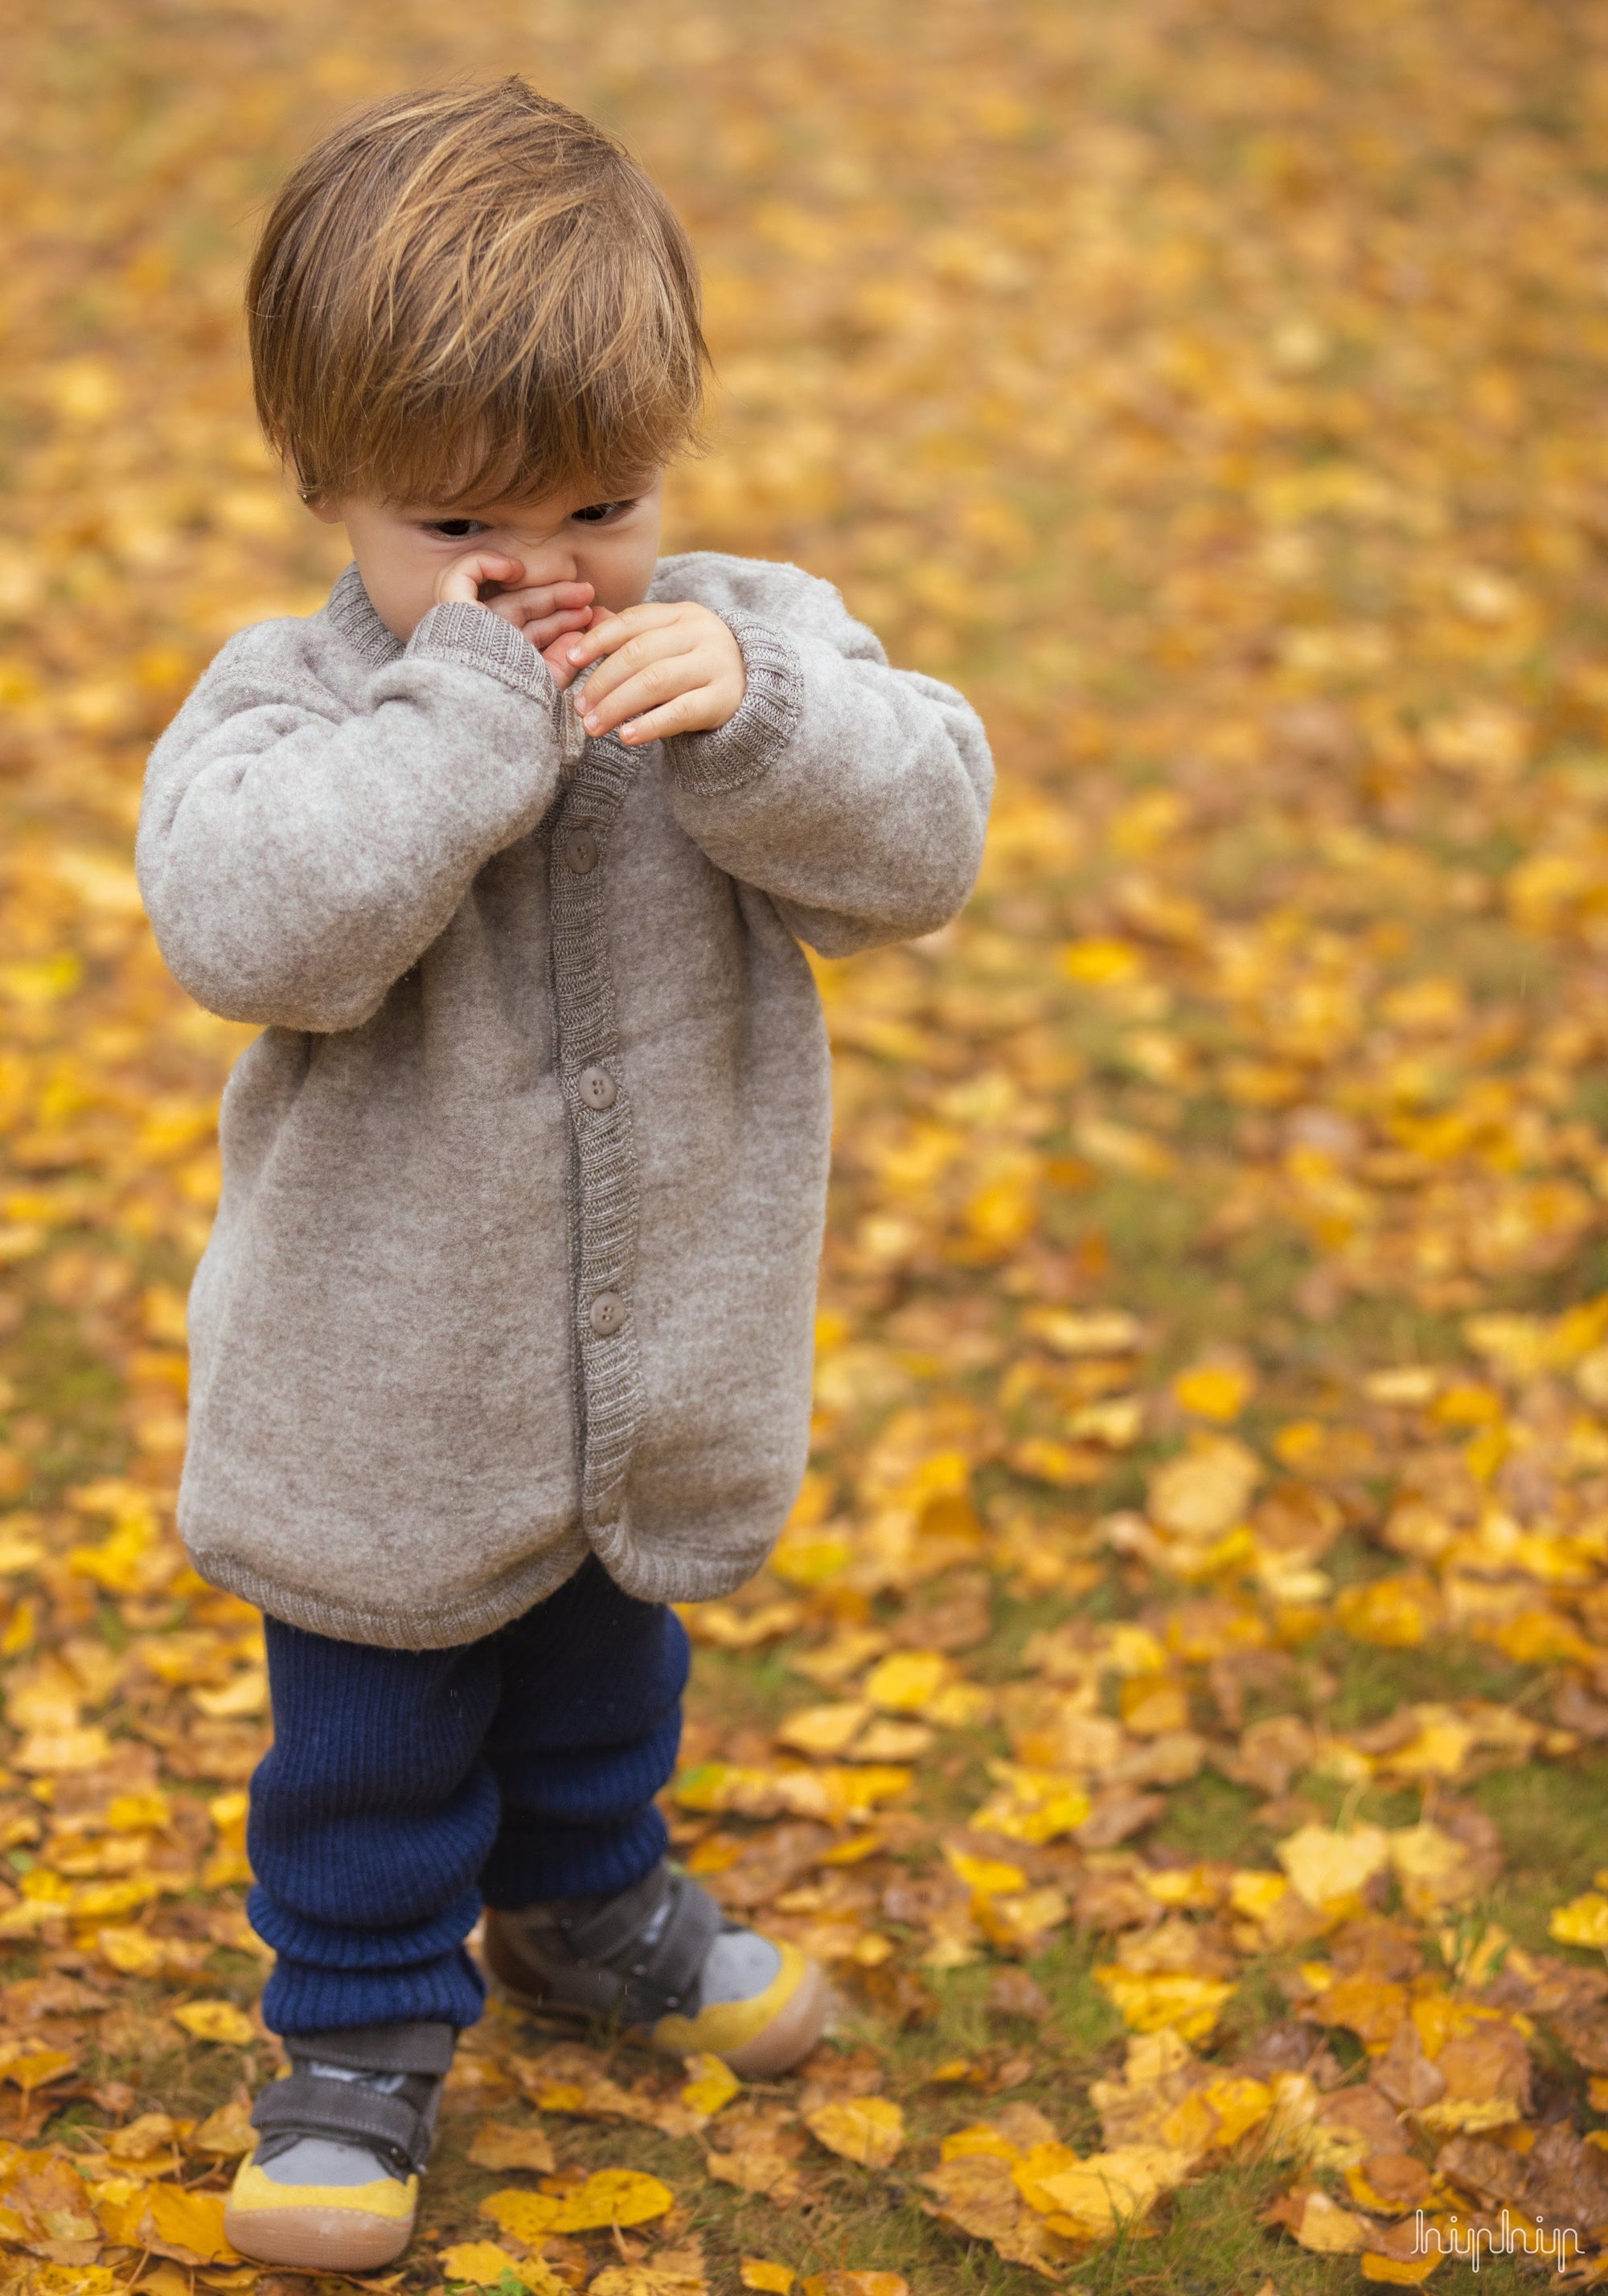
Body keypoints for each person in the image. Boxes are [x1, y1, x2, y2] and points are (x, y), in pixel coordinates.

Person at [137, 76, 992, 2273]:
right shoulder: (291, 704)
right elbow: (251, 930)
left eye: (602, 507)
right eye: (455, 533)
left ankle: (591, 1907)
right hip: (379, 1383)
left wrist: (772, 713)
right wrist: (457, 720)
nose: (542, 577)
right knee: (376, 1726)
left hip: (648, 1359)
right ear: (323, 483)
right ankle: (348, 2034)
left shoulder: (742, 643)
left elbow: (930, 847)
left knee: (609, 1667)